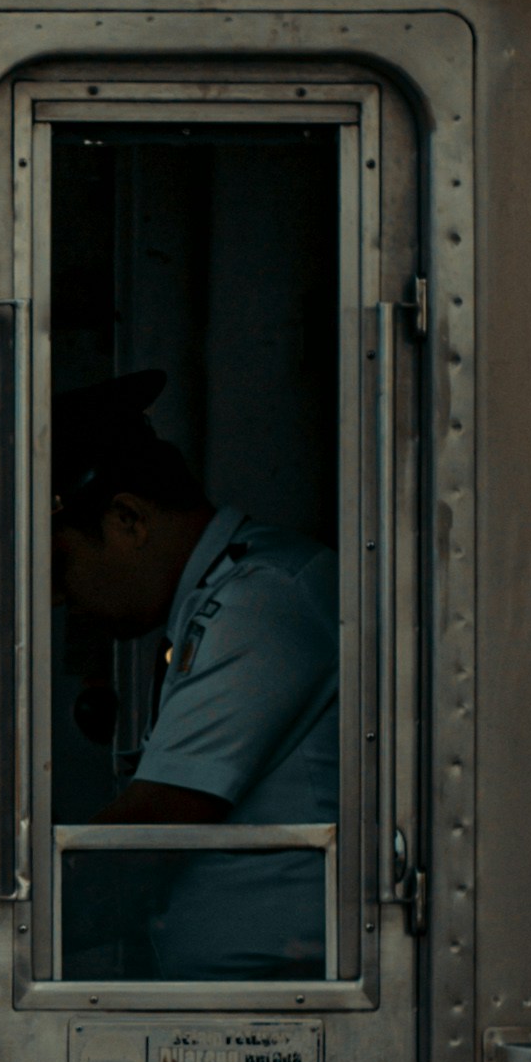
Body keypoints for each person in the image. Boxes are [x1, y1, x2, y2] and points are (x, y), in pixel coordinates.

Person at [50, 370, 339, 981]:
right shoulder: (217, 598)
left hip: (277, 994)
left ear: (127, 519)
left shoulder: (260, 598)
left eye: (60, 563)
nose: (55, 595)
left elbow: (149, 829)